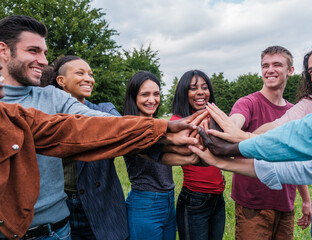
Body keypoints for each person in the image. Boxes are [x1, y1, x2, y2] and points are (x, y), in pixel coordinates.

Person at [0, 15, 204, 240]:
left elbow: (96, 123)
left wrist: (163, 130)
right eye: (33, 51)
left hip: (56, 230)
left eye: (44, 53)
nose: (42, 60)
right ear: (4, 50)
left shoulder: (53, 97)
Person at [204, 39, 312, 239]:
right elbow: (277, 129)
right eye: (311, 71)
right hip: (280, 206)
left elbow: (301, 159)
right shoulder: (304, 105)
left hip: (287, 202)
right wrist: (231, 136)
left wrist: (304, 199)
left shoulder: (310, 109)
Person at [228, 46, 310, 240]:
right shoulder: (247, 103)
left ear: (290, 70)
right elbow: (233, 127)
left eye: (277, 65)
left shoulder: (294, 112)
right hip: (253, 205)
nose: (270, 70)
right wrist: (231, 129)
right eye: (265, 65)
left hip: (285, 204)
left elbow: (295, 160)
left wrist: (306, 200)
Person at [44, 55, 124, 240]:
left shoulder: (105, 110)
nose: (89, 78)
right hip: (62, 207)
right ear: (61, 81)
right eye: (80, 73)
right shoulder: (47, 116)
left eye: (90, 74)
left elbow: (125, 128)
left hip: (101, 207)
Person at [171, 70, 226, 240]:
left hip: (218, 198)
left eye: (204, 87)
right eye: (193, 88)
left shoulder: (214, 119)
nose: (201, 92)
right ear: (184, 93)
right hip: (195, 199)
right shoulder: (178, 121)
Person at [123, 71, 177, 240]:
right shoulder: (130, 127)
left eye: (156, 94)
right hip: (145, 203)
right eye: (145, 94)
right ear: (134, 97)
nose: (152, 100)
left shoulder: (158, 124)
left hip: (168, 200)